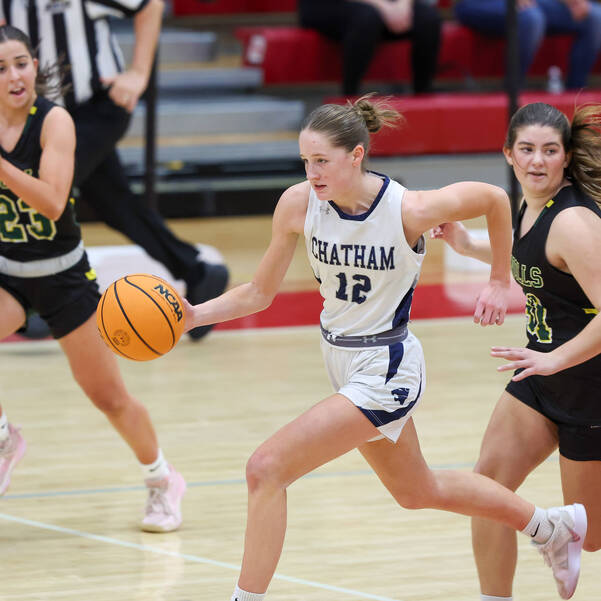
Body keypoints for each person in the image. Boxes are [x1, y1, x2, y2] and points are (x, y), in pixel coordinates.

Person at [183, 95, 587, 601]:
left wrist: (499, 278)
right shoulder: (298, 204)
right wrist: (195, 316)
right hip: (341, 360)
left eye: (322, 161)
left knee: (265, 469)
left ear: (356, 156)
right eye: (305, 161)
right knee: (417, 491)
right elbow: (259, 293)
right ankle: (550, 527)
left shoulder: (406, 209)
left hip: (387, 368)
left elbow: (493, 198)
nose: (311, 173)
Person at [0, 25, 186, 533]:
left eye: (21, 63)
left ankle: (162, 479)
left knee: (108, 397)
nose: (14, 75)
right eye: (1, 68)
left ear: (34, 66)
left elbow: (51, 201)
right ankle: (4, 439)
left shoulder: (54, 121)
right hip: (9, 272)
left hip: (63, 277)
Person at [433, 101, 601, 601]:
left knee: (593, 537)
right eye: (526, 149)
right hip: (542, 379)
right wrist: (468, 245)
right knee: (488, 488)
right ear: (508, 153)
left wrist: (556, 358)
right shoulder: (529, 207)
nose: (537, 160)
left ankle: (563, 535)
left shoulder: (573, 221)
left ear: (565, 156)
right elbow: (531, 254)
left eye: (549, 150)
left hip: (590, 388)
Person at [0, 0, 229, 342]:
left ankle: (37, 299)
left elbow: (150, 5)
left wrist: (139, 74)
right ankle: (196, 271)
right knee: (115, 204)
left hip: (95, 109)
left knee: (39, 196)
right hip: (41, 113)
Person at [298, 0, 441, 95]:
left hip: (384, 8)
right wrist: (383, 6)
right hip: (329, 6)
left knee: (428, 18)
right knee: (367, 17)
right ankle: (349, 97)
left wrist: (404, 5)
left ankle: (423, 93)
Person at [454, 0, 601, 90]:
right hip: (479, 3)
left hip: (536, 4)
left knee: (595, 17)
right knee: (531, 18)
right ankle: (513, 95)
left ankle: (575, 95)